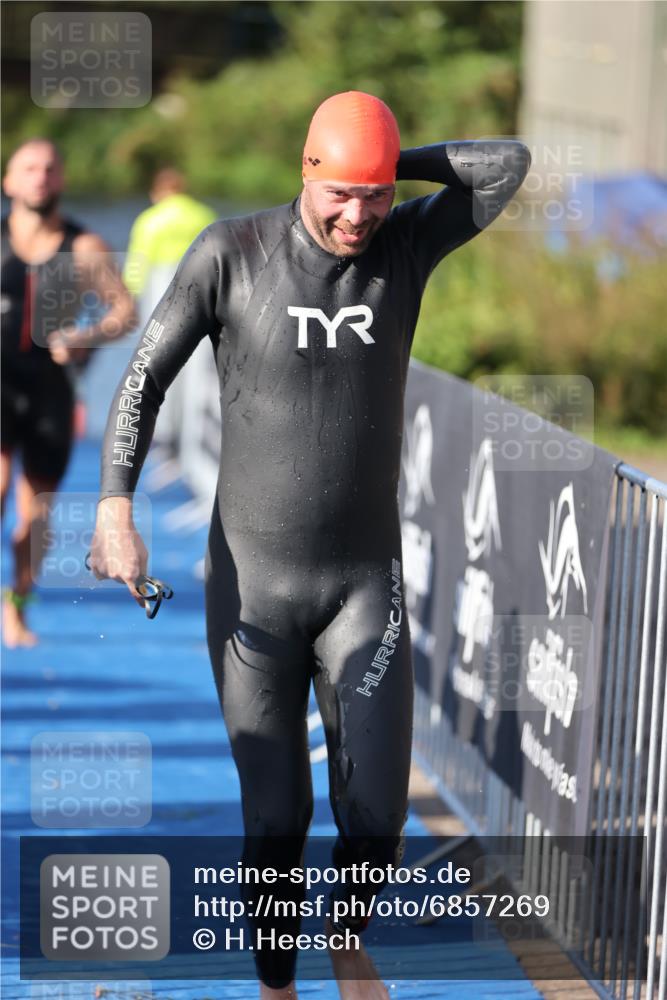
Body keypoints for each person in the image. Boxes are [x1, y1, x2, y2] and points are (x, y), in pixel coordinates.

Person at [90, 92, 530, 999]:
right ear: (306, 171)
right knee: (275, 821)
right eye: (341, 194)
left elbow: (506, 164)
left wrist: (386, 164)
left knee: (374, 819)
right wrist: (113, 507)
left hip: (364, 584)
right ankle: (277, 985)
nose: (358, 216)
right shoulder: (230, 253)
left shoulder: (405, 244)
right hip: (254, 589)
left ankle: (344, 934)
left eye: (374, 195)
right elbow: (141, 381)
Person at [1, 138, 136, 647]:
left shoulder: (83, 248)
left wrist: (85, 337)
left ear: (61, 181)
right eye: (29, 168)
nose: (40, 177)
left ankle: (15, 605)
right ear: (9, 182)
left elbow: (124, 311)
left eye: (50, 169)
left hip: (48, 392)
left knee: (34, 522)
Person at [122, 167, 217, 455]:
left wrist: (129, 301)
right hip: (201, 291)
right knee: (199, 373)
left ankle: (164, 440)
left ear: (157, 192)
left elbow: (137, 265)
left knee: (158, 365)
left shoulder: (151, 219)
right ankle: (195, 442)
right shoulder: (203, 215)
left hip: (162, 289)